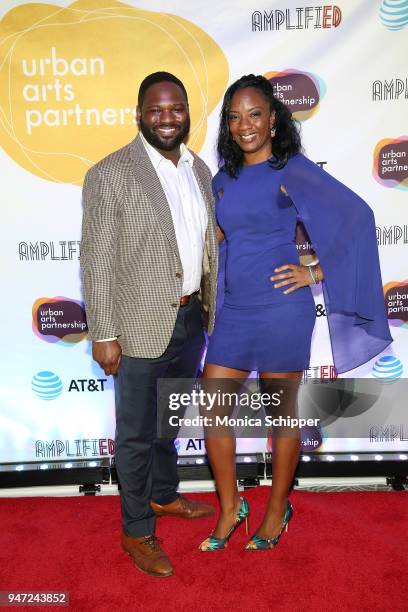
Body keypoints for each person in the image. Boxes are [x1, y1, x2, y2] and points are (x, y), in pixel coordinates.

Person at [198, 74, 392, 552]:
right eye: (235, 117)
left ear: (273, 119)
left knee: (280, 417)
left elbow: (356, 217)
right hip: (236, 311)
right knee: (213, 407)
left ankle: (276, 507)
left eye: (255, 114)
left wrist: (315, 271)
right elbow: (219, 240)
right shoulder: (221, 180)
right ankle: (229, 506)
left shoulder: (293, 170)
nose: (245, 125)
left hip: (283, 310)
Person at [80, 72, 218, 577]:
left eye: (176, 108)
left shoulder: (200, 171)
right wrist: (103, 332)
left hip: (190, 319)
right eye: (156, 109)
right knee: (137, 434)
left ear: (187, 113)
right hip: (136, 327)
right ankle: (137, 530)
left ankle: (163, 496)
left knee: (168, 424)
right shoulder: (110, 173)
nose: (167, 118)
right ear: (139, 113)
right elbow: (96, 260)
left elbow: (206, 248)